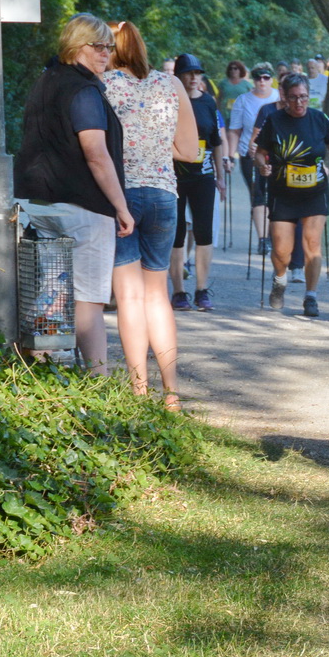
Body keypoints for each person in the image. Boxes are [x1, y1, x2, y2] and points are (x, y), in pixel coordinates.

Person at [16, 13, 135, 375]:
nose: (106, 54)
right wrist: (121, 206)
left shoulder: (46, 80)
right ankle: (97, 379)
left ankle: (41, 368)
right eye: (99, 47)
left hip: (38, 202)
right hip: (82, 205)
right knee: (88, 298)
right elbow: (96, 154)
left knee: (49, 290)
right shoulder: (83, 91)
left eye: (109, 48)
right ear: (78, 46)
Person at [105, 21, 197, 409]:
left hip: (121, 196)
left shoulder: (104, 85)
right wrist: (156, 147)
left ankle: (139, 390)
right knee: (158, 296)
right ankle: (171, 393)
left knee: (129, 297)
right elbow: (190, 150)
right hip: (163, 194)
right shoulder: (171, 84)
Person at [256, 72, 329, 317]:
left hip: (314, 192)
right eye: (294, 97)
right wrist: (262, 166)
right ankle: (279, 280)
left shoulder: (319, 118)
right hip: (283, 193)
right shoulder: (274, 120)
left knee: (312, 244)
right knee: (282, 251)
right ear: (284, 97)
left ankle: (311, 296)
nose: (299, 102)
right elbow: (260, 152)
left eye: (304, 97)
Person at [170, 54, 227, 312]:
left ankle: (201, 290)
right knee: (177, 234)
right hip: (175, 177)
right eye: (188, 73)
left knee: (204, 232)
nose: (194, 78)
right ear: (178, 76)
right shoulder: (169, 101)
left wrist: (220, 177)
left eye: (197, 73)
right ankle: (179, 291)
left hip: (203, 176)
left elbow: (216, 141)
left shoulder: (207, 102)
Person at [228, 64, 279, 253]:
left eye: (266, 77)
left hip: (275, 154)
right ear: (253, 79)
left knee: (274, 194)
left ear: (272, 79)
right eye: (258, 77)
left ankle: (274, 234)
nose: (262, 81)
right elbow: (234, 131)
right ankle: (263, 239)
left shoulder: (279, 98)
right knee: (258, 194)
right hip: (249, 153)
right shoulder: (243, 100)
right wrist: (229, 156)